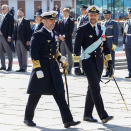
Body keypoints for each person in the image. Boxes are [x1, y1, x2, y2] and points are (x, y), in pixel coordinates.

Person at [24, 11, 80, 128]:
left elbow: (54, 51)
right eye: (50, 20)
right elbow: (34, 54)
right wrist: (37, 68)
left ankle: (68, 120)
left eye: (54, 21)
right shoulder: (38, 34)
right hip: (42, 69)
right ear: (44, 21)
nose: (53, 23)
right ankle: (27, 118)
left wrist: (60, 58)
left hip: (53, 68)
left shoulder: (53, 33)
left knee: (60, 93)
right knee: (35, 94)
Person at [74, 5, 114, 123]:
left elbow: (106, 48)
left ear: (98, 16)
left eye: (95, 15)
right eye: (91, 15)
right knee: (96, 88)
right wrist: (76, 65)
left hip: (99, 63)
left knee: (91, 88)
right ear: (88, 16)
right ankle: (103, 115)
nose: (93, 17)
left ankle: (87, 115)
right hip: (88, 62)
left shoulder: (102, 29)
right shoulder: (82, 29)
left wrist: (110, 63)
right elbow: (76, 48)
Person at [101, 10, 119, 77]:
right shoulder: (103, 23)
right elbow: (102, 33)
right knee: (105, 57)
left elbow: (116, 34)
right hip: (104, 41)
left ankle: (111, 72)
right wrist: (102, 42)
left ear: (110, 15)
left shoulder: (114, 23)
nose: (106, 16)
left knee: (111, 57)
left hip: (110, 41)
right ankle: (107, 72)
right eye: (105, 15)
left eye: (107, 15)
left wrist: (115, 43)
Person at [58, 8, 74, 74]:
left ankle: (69, 69)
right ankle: (64, 68)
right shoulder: (61, 21)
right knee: (62, 55)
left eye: (66, 12)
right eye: (64, 12)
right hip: (61, 41)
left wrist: (64, 36)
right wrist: (60, 36)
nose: (65, 14)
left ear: (68, 13)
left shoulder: (71, 21)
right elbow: (58, 30)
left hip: (67, 40)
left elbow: (71, 30)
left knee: (69, 55)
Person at [0, 4, 14, 71]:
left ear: (7, 9)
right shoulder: (1, 16)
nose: (2, 10)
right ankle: (3, 65)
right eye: (1, 9)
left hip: (6, 37)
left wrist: (9, 36)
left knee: (9, 52)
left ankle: (10, 66)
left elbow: (11, 27)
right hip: (0, 36)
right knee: (1, 52)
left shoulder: (10, 16)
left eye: (3, 9)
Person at [77, 4, 89, 75]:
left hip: (87, 39)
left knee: (86, 54)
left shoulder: (88, 18)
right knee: (82, 55)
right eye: (81, 10)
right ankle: (83, 69)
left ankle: (86, 70)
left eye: (82, 10)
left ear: (86, 10)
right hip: (80, 38)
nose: (81, 11)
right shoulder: (79, 18)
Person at [123, 8, 131, 78]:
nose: (129, 14)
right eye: (129, 13)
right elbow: (124, 34)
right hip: (127, 42)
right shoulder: (126, 22)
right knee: (128, 59)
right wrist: (123, 44)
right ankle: (130, 73)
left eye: (130, 13)